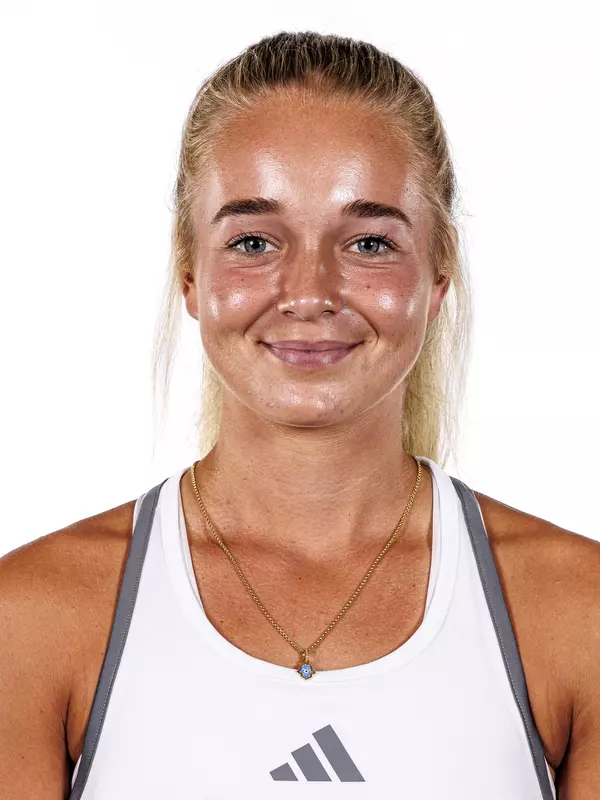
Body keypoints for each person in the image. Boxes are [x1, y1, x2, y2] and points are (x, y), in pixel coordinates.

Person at [1, 30, 598, 800]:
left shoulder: (575, 614)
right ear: (189, 272)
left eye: (370, 242)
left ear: (439, 276)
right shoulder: (32, 622)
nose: (310, 290)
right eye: (253, 239)